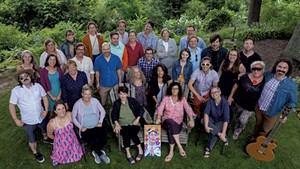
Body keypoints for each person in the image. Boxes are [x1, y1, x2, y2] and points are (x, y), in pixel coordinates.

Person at [9, 69, 49, 163]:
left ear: (30, 76)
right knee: (32, 138)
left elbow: (44, 97)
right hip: (28, 121)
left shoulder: (38, 86)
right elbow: (11, 105)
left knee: (44, 129)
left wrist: (46, 110)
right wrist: (15, 119)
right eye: (21, 78)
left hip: (41, 116)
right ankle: (35, 152)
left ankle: (46, 138)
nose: (25, 78)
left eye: (26, 76)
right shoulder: (16, 91)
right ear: (20, 81)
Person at [251, 59, 298, 141]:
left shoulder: (291, 85)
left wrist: (285, 114)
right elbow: (255, 76)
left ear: (288, 70)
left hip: (273, 112)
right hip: (259, 106)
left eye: (284, 68)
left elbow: (293, 101)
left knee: (265, 130)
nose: (281, 69)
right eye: (279, 66)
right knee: (258, 124)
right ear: (276, 67)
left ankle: (259, 143)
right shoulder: (268, 75)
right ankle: (253, 138)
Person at [155, 82, 195, 162]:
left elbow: (188, 108)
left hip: (178, 122)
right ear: (170, 89)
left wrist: (191, 119)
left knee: (171, 130)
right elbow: (160, 108)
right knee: (171, 123)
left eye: (176, 88)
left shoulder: (182, 99)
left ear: (179, 90)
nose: (174, 90)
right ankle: (180, 147)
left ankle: (171, 152)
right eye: (173, 88)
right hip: (167, 120)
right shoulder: (166, 98)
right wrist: (159, 118)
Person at [72, 85, 110, 165]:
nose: (88, 96)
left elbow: (102, 111)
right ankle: (101, 154)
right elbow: (73, 117)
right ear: (82, 94)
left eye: (89, 94)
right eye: (86, 94)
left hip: (96, 126)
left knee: (103, 139)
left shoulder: (95, 101)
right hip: (86, 128)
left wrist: (100, 121)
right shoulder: (78, 104)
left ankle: (96, 152)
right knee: (91, 141)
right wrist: (80, 127)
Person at [228, 61, 265, 140]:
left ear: (263, 70)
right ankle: (237, 124)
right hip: (238, 101)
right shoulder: (244, 76)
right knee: (237, 116)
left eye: (259, 69)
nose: (256, 71)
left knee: (243, 120)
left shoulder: (265, 80)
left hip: (250, 106)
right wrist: (231, 96)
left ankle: (238, 129)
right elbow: (236, 85)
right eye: (254, 69)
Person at [111, 86, 144, 164]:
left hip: (134, 123)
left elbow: (141, 109)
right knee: (126, 133)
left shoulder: (132, 100)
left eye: (124, 94)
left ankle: (139, 150)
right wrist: (116, 124)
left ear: (127, 94)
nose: (123, 96)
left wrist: (137, 119)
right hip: (123, 125)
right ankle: (129, 152)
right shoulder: (116, 103)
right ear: (118, 94)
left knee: (131, 132)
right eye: (121, 94)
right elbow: (113, 114)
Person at [47, 101, 83, 166]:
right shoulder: (52, 123)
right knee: (60, 157)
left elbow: (78, 119)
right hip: (61, 144)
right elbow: (49, 135)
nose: (62, 111)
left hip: (72, 141)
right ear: (55, 111)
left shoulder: (69, 114)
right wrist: (58, 140)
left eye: (63, 108)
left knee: (76, 155)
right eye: (59, 109)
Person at [201, 87, 230, 158]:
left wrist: (223, 132)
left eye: (215, 92)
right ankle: (221, 136)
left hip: (221, 121)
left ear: (220, 92)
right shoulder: (210, 101)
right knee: (202, 120)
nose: (213, 94)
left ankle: (208, 148)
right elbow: (206, 114)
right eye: (212, 93)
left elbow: (226, 119)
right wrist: (206, 127)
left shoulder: (225, 103)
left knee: (214, 130)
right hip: (212, 119)